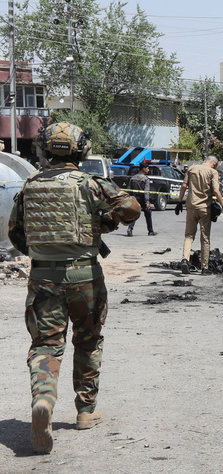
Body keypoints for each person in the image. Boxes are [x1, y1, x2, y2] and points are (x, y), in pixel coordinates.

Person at [8, 121, 140, 454]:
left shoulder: (30, 185)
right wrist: (105, 221)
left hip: (43, 279)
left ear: (44, 149)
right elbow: (132, 209)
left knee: (46, 344)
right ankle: (85, 411)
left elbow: (16, 234)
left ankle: (44, 402)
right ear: (81, 150)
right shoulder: (91, 183)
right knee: (88, 340)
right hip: (85, 277)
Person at [175, 155, 223, 275]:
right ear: (214, 163)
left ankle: (185, 259)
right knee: (205, 238)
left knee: (189, 235)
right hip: (205, 209)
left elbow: (184, 186)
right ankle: (204, 268)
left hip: (191, 207)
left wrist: (179, 202)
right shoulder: (213, 172)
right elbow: (215, 190)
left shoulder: (192, 169)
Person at [126, 161, 157, 236]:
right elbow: (146, 192)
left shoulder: (133, 178)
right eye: (147, 168)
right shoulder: (145, 179)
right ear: (143, 169)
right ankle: (150, 231)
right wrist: (147, 202)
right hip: (142, 199)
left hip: (134, 198)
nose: (148, 170)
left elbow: (129, 189)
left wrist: (129, 199)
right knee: (148, 213)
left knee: (134, 214)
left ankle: (130, 228)